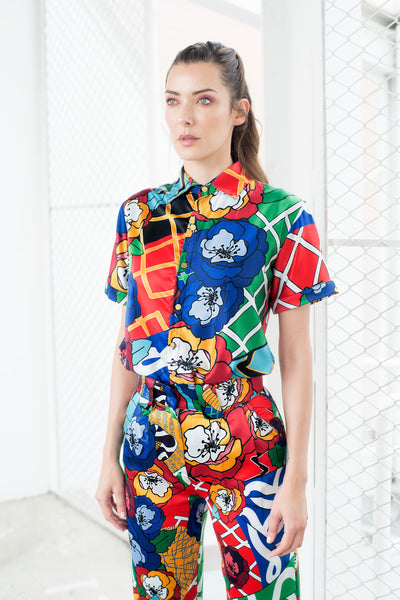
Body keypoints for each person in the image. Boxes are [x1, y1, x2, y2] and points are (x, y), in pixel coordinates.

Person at [96, 41, 337, 600]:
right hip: (150, 441)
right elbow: (127, 345)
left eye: (204, 100)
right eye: (173, 100)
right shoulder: (138, 214)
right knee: (161, 593)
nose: (185, 116)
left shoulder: (283, 216)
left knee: (265, 594)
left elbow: (297, 357)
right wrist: (108, 455)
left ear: (238, 111)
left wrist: (296, 480)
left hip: (246, 440)